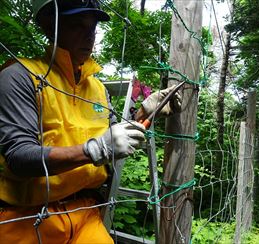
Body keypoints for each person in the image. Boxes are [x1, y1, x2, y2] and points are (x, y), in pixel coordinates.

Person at [0, 0, 181, 243]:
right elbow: (19, 157)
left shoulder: (96, 88)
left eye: (93, 28)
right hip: (26, 219)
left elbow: (109, 139)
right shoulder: (20, 76)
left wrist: (145, 114)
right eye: (77, 25)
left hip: (86, 213)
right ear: (49, 25)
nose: (89, 37)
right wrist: (93, 150)